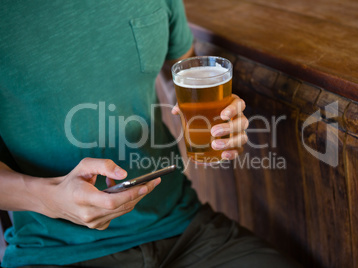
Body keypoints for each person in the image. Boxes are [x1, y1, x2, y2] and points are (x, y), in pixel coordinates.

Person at [0, 1, 299, 267]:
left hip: (184, 226)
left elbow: (182, 76)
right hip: (56, 250)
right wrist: (50, 199)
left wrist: (216, 121)